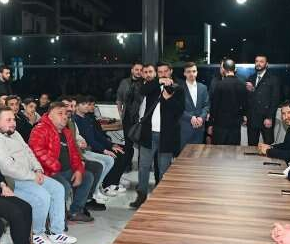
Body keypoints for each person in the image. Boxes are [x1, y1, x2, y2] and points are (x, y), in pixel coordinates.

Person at [0, 107, 75, 244]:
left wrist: (38, 169)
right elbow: (7, 167)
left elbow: (28, 151)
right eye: (8, 120)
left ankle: (56, 231)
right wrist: (32, 176)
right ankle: (36, 233)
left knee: (58, 188)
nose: (13, 123)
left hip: (30, 174)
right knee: (42, 196)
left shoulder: (13, 133)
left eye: (13, 119)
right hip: (11, 181)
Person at [29, 102, 95, 223]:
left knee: (87, 177)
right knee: (64, 186)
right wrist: (55, 165)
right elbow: (36, 151)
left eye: (66, 114)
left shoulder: (66, 132)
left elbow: (75, 154)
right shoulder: (40, 129)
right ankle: (56, 218)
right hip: (48, 172)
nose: (64, 117)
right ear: (50, 116)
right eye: (60, 113)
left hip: (65, 170)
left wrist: (78, 170)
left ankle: (75, 211)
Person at [132, 62, 184, 208]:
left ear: (170, 71)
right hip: (148, 134)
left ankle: (161, 198)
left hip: (166, 135)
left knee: (163, 169)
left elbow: (180, 110)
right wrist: (158, 81)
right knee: (143, 166)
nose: (163, 74)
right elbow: (142, 90)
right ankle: (141, 196)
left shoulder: (178, 88)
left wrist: (169, 98)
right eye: (159, 72)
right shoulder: (153, 86)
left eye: (165, 71)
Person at [74, 95, 127, 196]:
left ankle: (111, 183)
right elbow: (90, 140)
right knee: (114, 156)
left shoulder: (87, 118)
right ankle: (105, 186)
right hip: (89, 148)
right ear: (76, 106)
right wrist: (104, 150)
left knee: (122, 152)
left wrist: (111, 145)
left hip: (95, 146)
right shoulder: (76, 120)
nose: (87, 106)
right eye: (84, 104)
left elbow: (98, 135)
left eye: (88, 104)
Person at [209, 58, 247, 146]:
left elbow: (214, 106)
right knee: (233, 151)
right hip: (235, 125)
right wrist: (244, 116)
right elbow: (245, 104)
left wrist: (211, 122)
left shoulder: (219, 84)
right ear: (235, 69)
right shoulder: (242, 84)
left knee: (218, 151)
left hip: (220, 125)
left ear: (224, 69)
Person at [245, 54, 281, 145]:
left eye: (261, 61)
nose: (258, 63)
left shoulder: (273, 79)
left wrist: (269, 117)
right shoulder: (250, 78)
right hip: (252, 118)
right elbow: (247, 99)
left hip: (266, 118)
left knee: (268, 145)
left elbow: (275, 100)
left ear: (266, 64)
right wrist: (245, 115)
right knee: (251, 145)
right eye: (256, 61)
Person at [179, 61, 210, 148]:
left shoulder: (203, 87)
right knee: (184, 155)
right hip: (185, 129)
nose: (191, 74)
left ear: (197, 72)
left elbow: (206, 105)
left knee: (198, 154)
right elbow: (178, 108)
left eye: (194, 71)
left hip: (200, 128)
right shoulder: (179, 88)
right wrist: (190, 117)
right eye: (188, 71)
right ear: (184, 73)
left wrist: (201, 117)